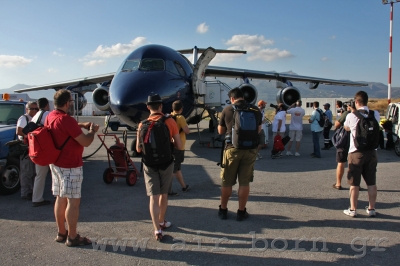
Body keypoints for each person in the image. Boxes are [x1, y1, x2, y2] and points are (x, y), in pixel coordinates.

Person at [48, 89, 99, 246]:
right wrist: (92, 131)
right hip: (71, 165)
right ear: (67, 103)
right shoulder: (67, 120)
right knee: (73, 201)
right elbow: (85, 141)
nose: (72, 104)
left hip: (56, 164)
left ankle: (61, 233)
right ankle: (72, 236)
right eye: (71, 101)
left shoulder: (51, 116)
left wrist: (80, 124)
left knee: (60, 198)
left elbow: (64, 126)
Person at [136, 94, 182, 241]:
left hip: (149, 164)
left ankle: (156, 229)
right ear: (161, 106)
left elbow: (138, 149)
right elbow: (179, 145)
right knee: (164, 194)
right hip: (166, 163)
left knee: (153, 197)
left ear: (148, 107)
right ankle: (162, 221)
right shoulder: (169, 121)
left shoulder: (142, 124)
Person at [218, 88, 262, 221]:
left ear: (232, 98)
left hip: (232, 149)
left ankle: (223, 210)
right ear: (243, 97)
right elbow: (258, 130)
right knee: (244, 182)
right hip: (250, 150)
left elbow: (220, 131)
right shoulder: (255, 110)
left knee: (227, 182)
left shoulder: (227, 110)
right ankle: (241, 212)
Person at [343, 91, 380, 217]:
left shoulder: (351, 115)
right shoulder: (375, 114)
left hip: (356, 152)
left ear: (356, 102)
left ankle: (353, 209)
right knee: (371, 182)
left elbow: (346, 127)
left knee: (354, 184)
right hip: (372, 152)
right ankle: (372, 208)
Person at [31, 98, 51, 206]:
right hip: (46, 148)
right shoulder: (48, 114)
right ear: (47, 105)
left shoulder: (35, 116)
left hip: (36, 148)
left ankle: (36, 198)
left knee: (39, 175)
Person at [16, 101, 38, 200]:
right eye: (31, 109)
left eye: (36, 109)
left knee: (33, 171)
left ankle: (31, 191)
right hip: (25, 148)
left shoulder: (35, 119)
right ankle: (25, 193)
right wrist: (28, 137)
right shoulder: (23, 118)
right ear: (26, 109)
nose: (34, 111)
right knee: (26, 171)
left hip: (33, 148)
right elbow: (19, 131)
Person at [168, 100, 190, 196]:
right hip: (179, 146)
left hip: (171, 145)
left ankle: (184, 186)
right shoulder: (180, 118)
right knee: (173, 170)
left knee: (177, 169)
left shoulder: (169, 117)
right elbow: (187, 131)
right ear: (181, 109)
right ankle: (168, 190)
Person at [332, 103, 351, 190]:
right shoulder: (363, 113)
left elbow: (337, 124)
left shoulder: (347, 113)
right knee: (354, 164)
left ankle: (338, 183)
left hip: (345, 141)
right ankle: (354, 183)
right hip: (356, 142)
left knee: (341, 163)